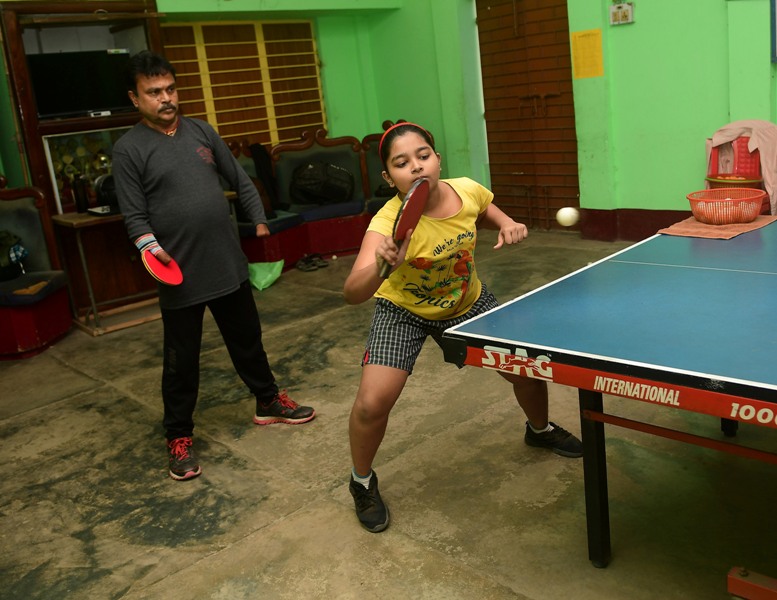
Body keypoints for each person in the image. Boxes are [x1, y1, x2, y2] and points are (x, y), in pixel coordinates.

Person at [343, 122, 582, 532]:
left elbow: (483, 209)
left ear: (437, 159)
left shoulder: (466, 188)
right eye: (402, 163)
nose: (416, 168)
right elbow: (352, 291)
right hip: (403, 311)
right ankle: (361, 481)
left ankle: (539, 430)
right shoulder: (387, 223)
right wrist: (383, 265)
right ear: (389, 177)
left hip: (466, 302)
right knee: (371, 404)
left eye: (423, 156)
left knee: (524, 368)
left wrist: (506, 222)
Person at [113, 51, 315, 482]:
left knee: (248, 340)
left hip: (226, 263)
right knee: (180, 361)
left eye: (170, 89)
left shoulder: (202, 131)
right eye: (154, 92)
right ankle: (178, 436)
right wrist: (153, 249)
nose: (166, 98)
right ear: (135, 98)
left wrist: (257, 217)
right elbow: (133, 216)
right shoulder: (129, 150)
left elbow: (238, 179)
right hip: (180, 274)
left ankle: (267, 402)